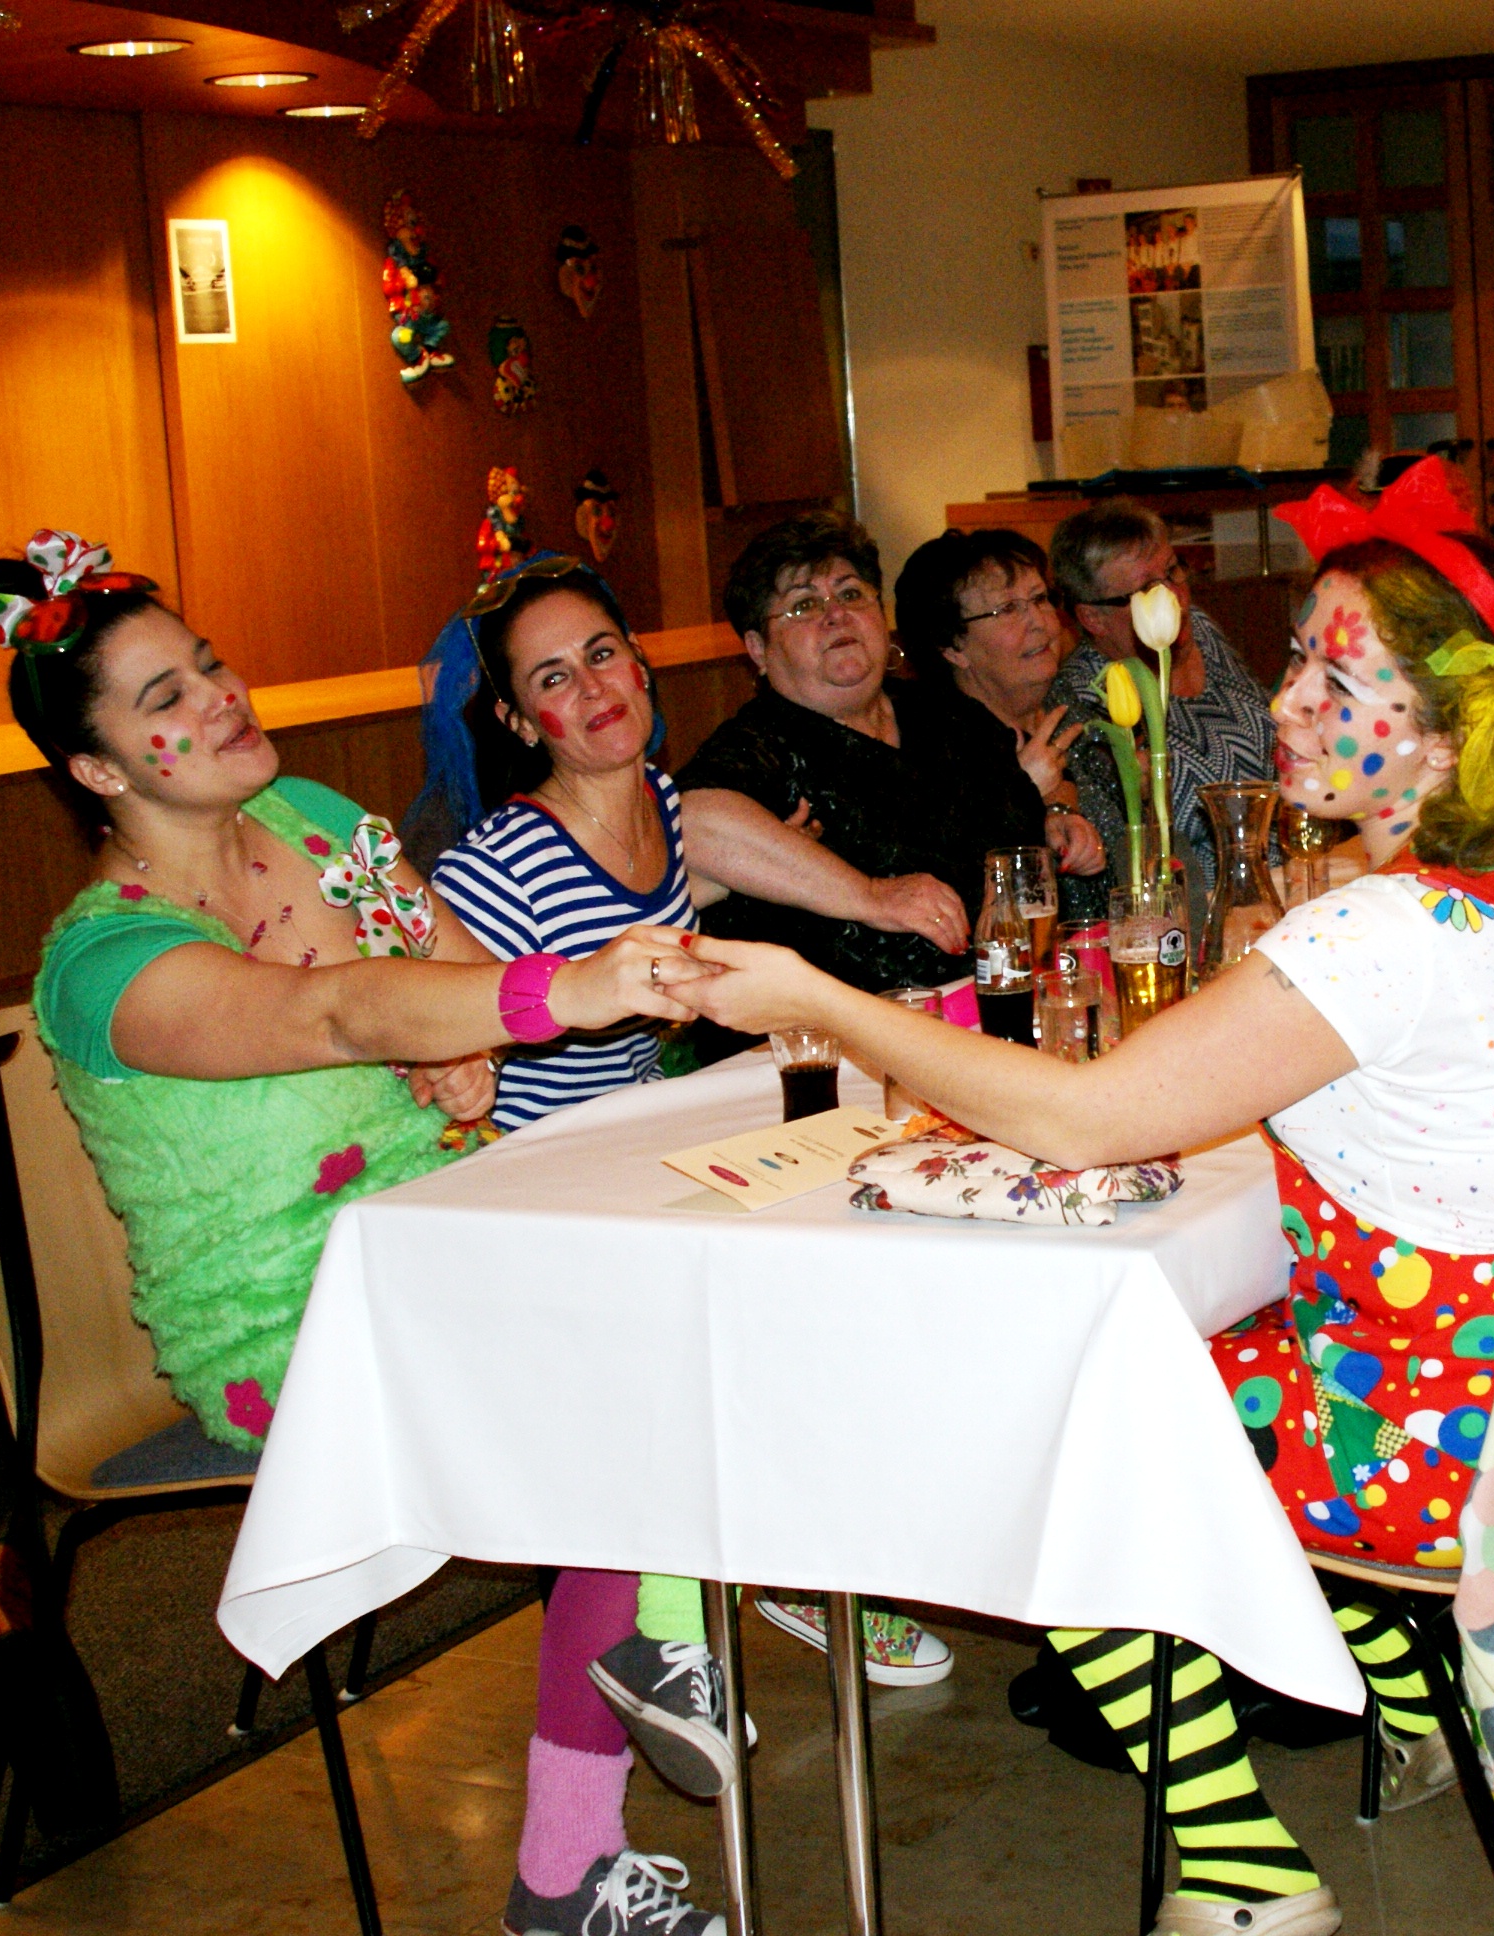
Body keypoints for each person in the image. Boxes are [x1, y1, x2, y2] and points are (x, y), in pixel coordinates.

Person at [657, 487, 1494, 1936]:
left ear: (1451, 729)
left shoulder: (1384, 932)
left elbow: (1085, 1118)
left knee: (1038, 1430)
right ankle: (1413, 1708)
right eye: (1298, 660)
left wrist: (820, 1001)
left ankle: (1242, 1863)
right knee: (1193, 1340)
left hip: (1440, 1447)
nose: (1286, 702)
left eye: (1337, 682)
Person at [0, 532, 725, 1936]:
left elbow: (442, 972)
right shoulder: (105, 961)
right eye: (165, 698)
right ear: (98, 770)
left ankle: (647, 1670)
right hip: (296, 1317)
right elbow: (331, 1011)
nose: (219, 697)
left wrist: (467, 1052)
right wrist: (558, 993)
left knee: (702, 1265)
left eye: (209, 664)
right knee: (625, 1370)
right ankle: (635, 1699)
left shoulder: (317, 817)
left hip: (445, 1232)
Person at [412, 555, 958, 1797]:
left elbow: (687, 876)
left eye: (604, 654)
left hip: (648, 1162)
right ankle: (731, 1595)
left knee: (865, 1232)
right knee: (757, 1300)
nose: (594, 688)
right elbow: (439, 1023)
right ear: (517, 722)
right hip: (543, 1196)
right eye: (554, 678)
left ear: (642, 661)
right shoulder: (499, 861)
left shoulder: (661, 801)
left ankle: (805, 1558)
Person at [677, 513, 1065, 994]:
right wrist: (872, 896)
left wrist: (1055, 816)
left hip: (996, 998)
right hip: (835, 1026)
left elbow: (1015, 825)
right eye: (803, 605)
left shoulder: (949, 714)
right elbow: (691, 823)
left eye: (850, 593)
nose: (835, 615)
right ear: (758, 649)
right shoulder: (759, 744)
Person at [1045, 498, 1276, 923]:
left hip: (1282, 879)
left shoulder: (1199, 631)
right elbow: (1136, 849)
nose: (1174, 598)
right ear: (1093, 617)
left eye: (1173, 571)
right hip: (1202, 911)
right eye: (1149, 590)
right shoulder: (1086, 699)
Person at [890, 527, 1112, 921]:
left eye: (1039, 599)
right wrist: (1023, 790)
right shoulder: (942, 751)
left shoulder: (1073, 704)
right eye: (1008, 609)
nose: (1040, 622)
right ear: (953, 647)